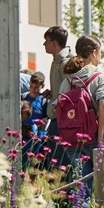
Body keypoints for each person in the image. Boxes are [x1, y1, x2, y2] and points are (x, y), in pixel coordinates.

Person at [58, 35, 104, 194]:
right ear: (94, 53)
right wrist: (101, 138)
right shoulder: (99, 78)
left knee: (82, 184)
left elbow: (57, 107)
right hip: (93, 137)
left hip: (71, 139)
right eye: (100, 51)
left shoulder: (67, 80)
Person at [42, 26, 71, 168]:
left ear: (54, 43)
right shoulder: (56, 61)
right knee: (55, 162)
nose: (44, 44)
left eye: (46, 41)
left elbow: (70, 92)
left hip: (62, 120)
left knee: (60, 164)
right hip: (56, 118)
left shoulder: (65, 63)